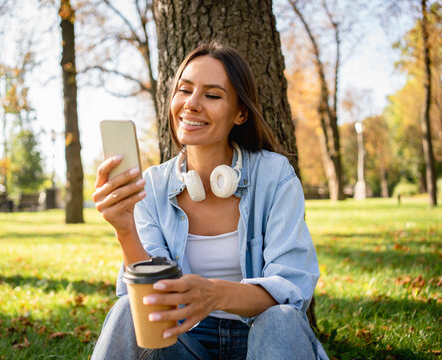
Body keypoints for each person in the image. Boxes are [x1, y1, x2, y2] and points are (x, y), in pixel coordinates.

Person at [91, 42, 329, 360]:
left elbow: (292, 288)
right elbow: (151, 303)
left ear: (240, 112)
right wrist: (125, 230)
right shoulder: (152, 185)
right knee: (128, 311)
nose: (191, 104)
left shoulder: (274, 175)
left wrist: (214, 295)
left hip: (261, 339)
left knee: (282, 319)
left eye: (212, 95)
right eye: (184, 90)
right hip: (185, 341)